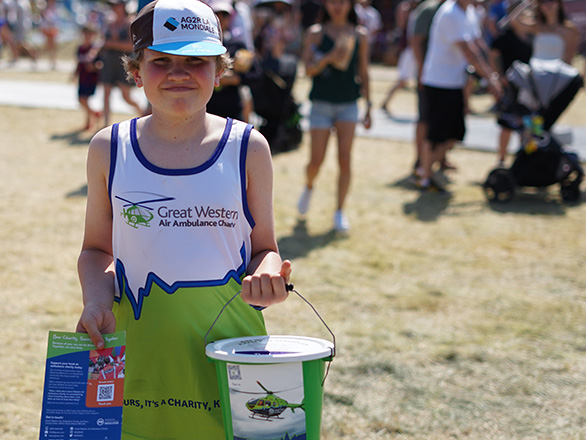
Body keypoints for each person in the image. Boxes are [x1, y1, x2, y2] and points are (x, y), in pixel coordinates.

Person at [75, 1, 292, 438]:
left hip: (230, 355)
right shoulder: (108, 148)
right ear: (136, 72)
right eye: (161, 62)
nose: (179, 72)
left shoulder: (248, 147)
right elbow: (97, 249)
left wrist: (268, 276)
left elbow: (263, 248)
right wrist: (97, 300)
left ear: (220, 70)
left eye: (196, 60)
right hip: (139, 356)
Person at [297, 0, 371, 232]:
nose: (337, 6)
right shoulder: (316, 33)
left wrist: (369, 105)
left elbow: (363, 71)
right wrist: (328, 57)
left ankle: (339, 211)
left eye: (342, 1)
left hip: (348, 102)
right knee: (316, 160)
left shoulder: (360, 34)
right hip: (321, 102)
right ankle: (309, 186)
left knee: (345, 158)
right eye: (333, 1)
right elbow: (308, 69)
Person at [419, 0, 503, 195]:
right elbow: (469, 52)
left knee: (454, 132)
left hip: (454, 81)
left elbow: (477, 42)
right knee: (436, 135)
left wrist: (491, 69)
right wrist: (490, 77)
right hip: (440, 82)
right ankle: (425, 178)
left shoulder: (470, 11)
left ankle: (433, 169)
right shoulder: (451, 14)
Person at [489, 1, 532, 166]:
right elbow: (493, 54)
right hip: (510, 85)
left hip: (528, 87)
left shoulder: (530, 35)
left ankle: (524, 159)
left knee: (527, 123)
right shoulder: (505, 35)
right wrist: (498, 75)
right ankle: (501, 160)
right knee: (507, 123)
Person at [99, 0, 143, 126]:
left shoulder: (129, 23)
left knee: (126, 96)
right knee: (106, 93)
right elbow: (102, 41)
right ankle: (105, 124)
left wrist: (112, 44)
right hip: (108, 60)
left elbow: (131, 46)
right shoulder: (109, 22)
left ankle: (142, 114)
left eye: (116, 5)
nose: (114, 8)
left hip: (124, 62)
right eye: (112, 5)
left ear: (123, 6)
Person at [511, 0, 579, 65]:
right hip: (537, 71)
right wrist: (528, 3)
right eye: (543, 1)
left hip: (557, 72)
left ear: (558, 3)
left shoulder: (569, 30)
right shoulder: (537, 26)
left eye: (552, 0)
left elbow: (569, 58)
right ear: (540, 6)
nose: (548, 4)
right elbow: (514, 21)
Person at [72, 23, 102, 131]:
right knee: (82, 100)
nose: (87, 36)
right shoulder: (80, 48)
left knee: (84, 99)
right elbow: (78, 63)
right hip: (82, 77)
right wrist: (74, 74)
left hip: (91, 78)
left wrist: (93, 67)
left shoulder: (96, 49)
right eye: (85, 34)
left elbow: (101, 64)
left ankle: (92, 119)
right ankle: (92, 118)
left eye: (90, 34)